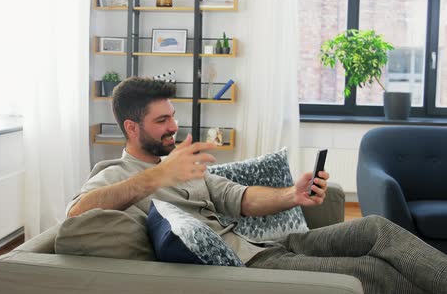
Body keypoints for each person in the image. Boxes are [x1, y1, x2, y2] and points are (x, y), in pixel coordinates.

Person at [68, 77, 447, 294]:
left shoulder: (183, 162)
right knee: (372, 272)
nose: (173, 127)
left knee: (376, 229)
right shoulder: (114, 172)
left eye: (173, 116)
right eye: (161, 120)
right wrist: (157, 176)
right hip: (249, 264)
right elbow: (76, 213)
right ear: (131, 128)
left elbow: (240, 198)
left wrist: (292, 195)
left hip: (270, 245)